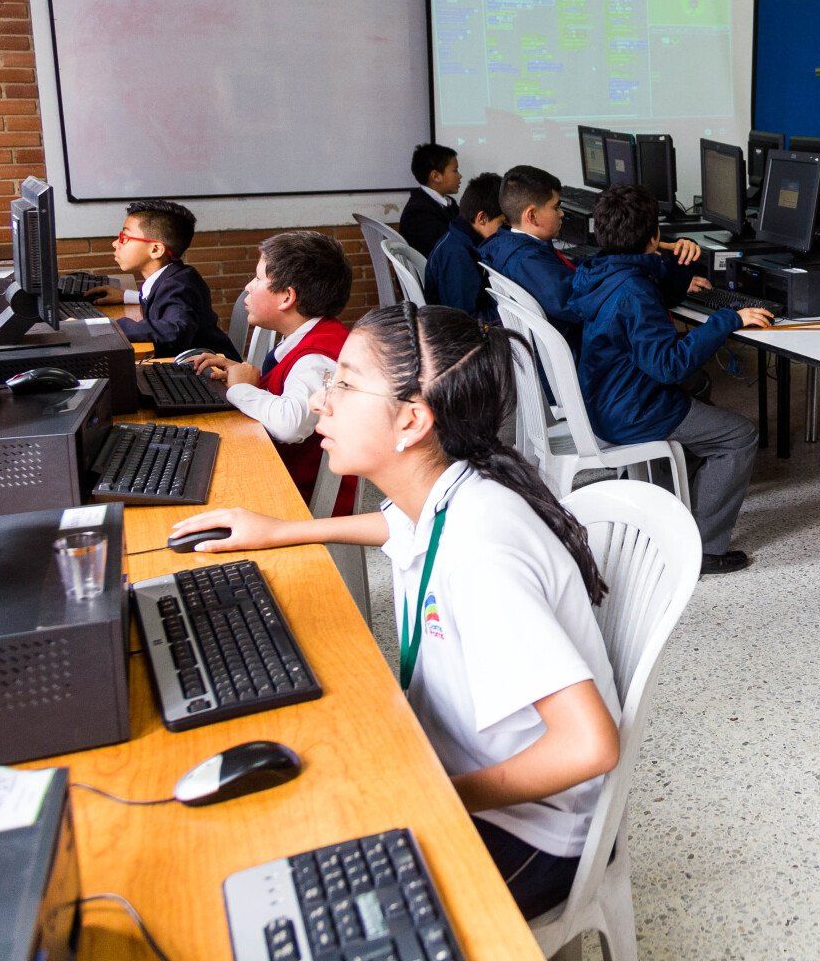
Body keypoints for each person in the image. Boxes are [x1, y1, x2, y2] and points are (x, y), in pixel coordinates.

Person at [169, 304, 619, 920]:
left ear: (412, 420)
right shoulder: (445, 491)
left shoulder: (481, 553)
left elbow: (590, 745)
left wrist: (429, 795)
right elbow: (396, 528)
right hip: (454, 764)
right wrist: (279, 530)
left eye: (345, 384)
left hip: (529, 828)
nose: (321, 400)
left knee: (296, 891)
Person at [567, 184, 771, 574]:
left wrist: (676, 262)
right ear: (654, 236)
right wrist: (727, 319)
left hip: (603, 398)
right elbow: (669, 366)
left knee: (700, 385)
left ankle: (674, 501)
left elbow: (650, 291)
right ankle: (703, 549)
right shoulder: (634, 292)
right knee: (740, 435)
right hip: (633, 410)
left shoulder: (600, 271)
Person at [188, 231, 357, 516]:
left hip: (301, 499)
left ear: (287, 297)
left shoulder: (316, 357)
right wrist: (244, 376)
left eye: (257, 279)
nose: (248, 286)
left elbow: (290, 425)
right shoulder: (308, 335)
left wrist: (240, 390)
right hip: (284, 476)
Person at [482, 165, 702, 346]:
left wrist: (637, 247)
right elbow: (587, 304)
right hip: (588, 353)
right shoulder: (526, 262)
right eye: (555, 207)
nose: (561, 213)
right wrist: (646, 266)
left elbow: (582, 275)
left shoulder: (513, 248)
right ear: (531, 215)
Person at [100, 198, 238, 359]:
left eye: (125, 237)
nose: (115, 243)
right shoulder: (174, 277)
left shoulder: (179, 286)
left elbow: (175, 329)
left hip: (214, 370)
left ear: (156, 250)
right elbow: (164, 300)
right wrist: (126, 296)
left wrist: (109, 326)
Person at [427, 172, 505, 317]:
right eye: (502, 223)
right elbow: (466, 317)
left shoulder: (462, 238)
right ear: (482, 218)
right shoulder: (457, 254)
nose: (505, 231)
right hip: (461, 328)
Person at [399, 143, 461, 255]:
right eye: (455, 170)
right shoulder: (418, 212)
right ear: (436, 176)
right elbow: (448, 246)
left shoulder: (448, 203)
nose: (459, 176)